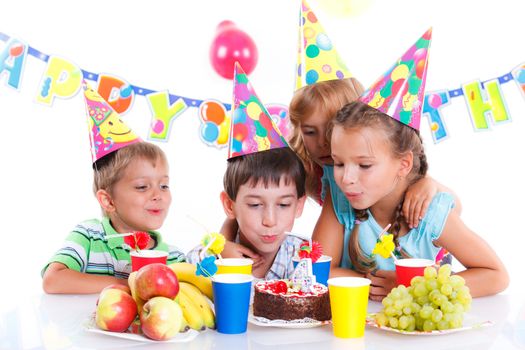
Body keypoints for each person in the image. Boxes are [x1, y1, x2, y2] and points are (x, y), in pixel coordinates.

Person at [320, 28, 508, 299]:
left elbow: (495, 275)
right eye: (338, 163)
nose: (346, 178)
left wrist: (414, 285)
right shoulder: (340, 200)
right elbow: (317, 270)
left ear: (404, 164)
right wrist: (374, 283)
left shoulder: (429, 211)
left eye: (364, 165)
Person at [41, 82, 185, 294]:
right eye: (143, 186)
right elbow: (53, 281)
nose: (158, 195)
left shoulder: (172, 258)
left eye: (164, 185)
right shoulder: (90, 236)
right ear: (108, 200)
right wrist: (129, 285)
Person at [187, 63, 307, 280]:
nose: (270, 220)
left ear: (299, 205)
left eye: (283, 204)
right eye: (254, 204)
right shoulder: (205, 259)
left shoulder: (306, 259)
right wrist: (220, 255)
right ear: (229, 205)